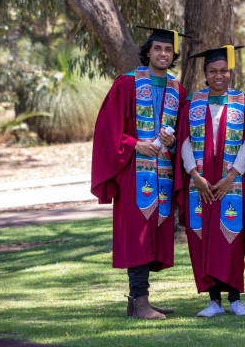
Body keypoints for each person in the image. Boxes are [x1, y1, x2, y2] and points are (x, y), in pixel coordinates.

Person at [91, 26, 188, 319]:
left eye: (168, 50)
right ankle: (141, 303)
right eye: (157, 49)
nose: (162, 54)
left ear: (173, 55)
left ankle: (138, 301)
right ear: (148, 51)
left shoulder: (177, 89)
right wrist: (135, 144)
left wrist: (171, 141)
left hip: (164, 173)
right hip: (134, 172)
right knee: (138, 234)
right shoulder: (126, 84)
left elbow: (183, 133)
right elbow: (107, 130)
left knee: (152, 236)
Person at [173, 45, 245, 317]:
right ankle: (214, 301)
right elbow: (184, 140)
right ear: (205, 73)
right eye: (213, 71)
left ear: (230, 72)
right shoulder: (193, 103)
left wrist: (232, 175)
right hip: (200, 181)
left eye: (223, 70)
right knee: (203, 238)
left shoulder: (243, 101)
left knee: (231, 237)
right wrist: (194, 175)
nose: (219, 75)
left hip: (231, 180)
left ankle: (235, 298)